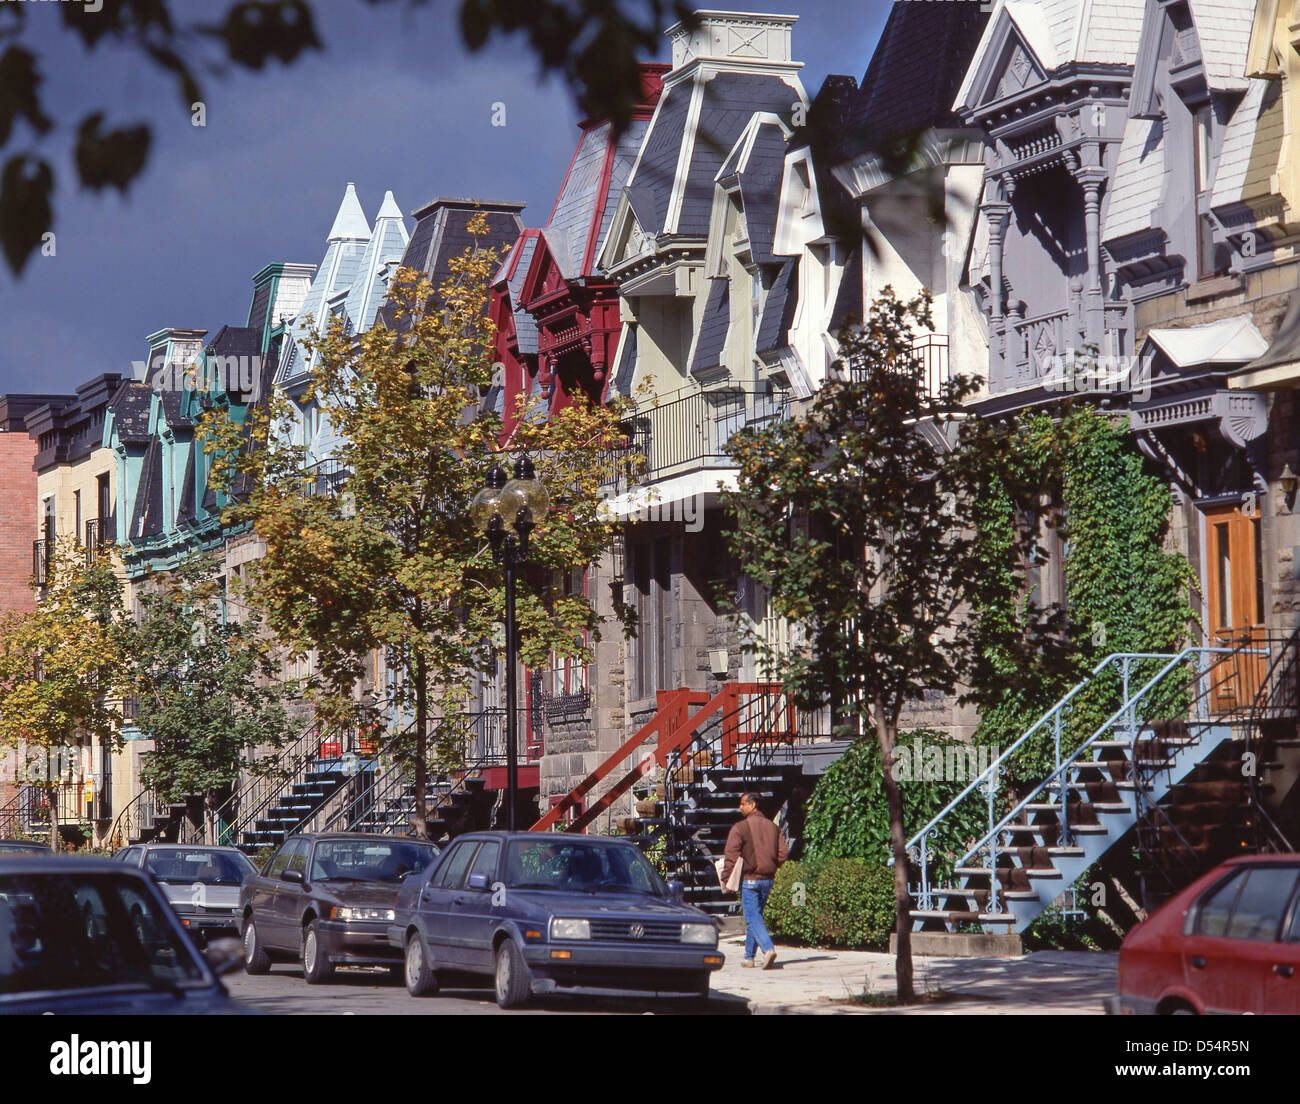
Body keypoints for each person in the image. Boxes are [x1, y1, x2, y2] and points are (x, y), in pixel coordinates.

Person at [720, 792, 789, 969]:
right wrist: (772, 866)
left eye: (743, 804)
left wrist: (726, 878)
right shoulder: (773, 828)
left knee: (752, 917)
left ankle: (768, 949)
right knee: (755, 916)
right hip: (768, 879)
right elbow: (783, 854)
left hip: (750, 879)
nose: (740, 807)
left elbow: (731, 856)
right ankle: (749, 957)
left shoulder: (739, 828)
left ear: (753, 805)